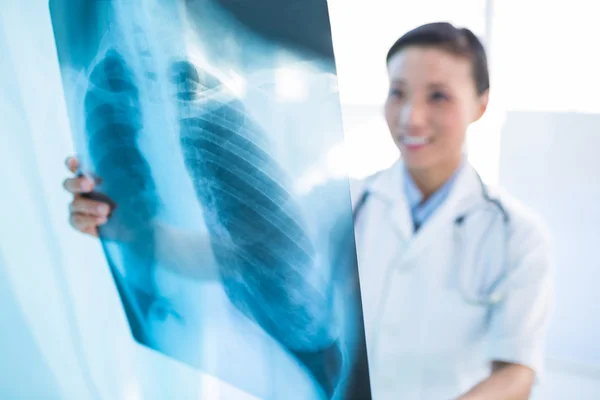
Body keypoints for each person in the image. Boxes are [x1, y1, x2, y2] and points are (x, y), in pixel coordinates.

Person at [64, 22, 554, 400]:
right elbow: (239, 258)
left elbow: (517, 371)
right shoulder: (344, 200)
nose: (411, 117)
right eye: (398, 92)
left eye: (438, 96)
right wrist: (130, 230)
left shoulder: (517, 234)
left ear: (481, 105)